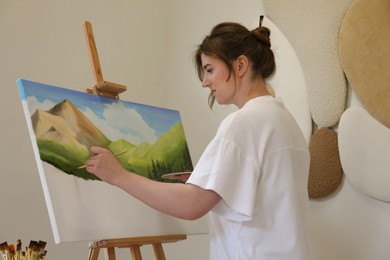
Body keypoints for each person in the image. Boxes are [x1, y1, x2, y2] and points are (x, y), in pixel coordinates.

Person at [86, 16, 310, 260]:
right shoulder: (286, 121)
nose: (205, 83)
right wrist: (211, 178)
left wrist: (119, 176)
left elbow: (190, 205)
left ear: (240, 65)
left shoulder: (244, 122)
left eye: (210, 70)